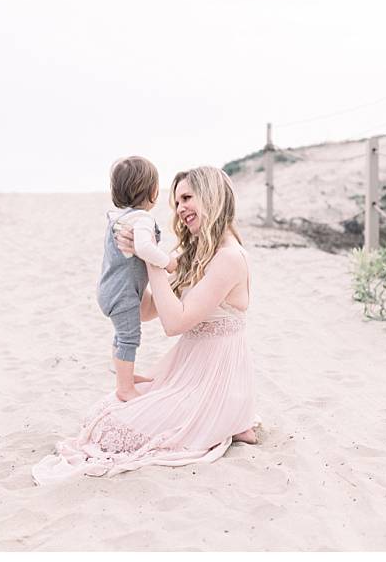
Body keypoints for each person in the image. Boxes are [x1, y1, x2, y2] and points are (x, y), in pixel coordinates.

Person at [32, 166, 258, 485]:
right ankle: (231, 422)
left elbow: (174, 323)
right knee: (104, 414)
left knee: (114, 430)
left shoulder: (230, 258)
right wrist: (125, 266)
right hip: (186, 371)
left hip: (213, 379)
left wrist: (155, 263)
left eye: (186, 198)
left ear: (211, 196)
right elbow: (150, 310)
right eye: (175, 202)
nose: (180, 209)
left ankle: (230, 419)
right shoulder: (197, 254)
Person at [97, 156, 177, 402]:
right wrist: (169, 262)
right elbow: (144, 248)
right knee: (129, 337)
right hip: (122, 294)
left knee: (121, 335)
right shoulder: (142, 219)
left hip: (111, 290)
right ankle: (124, 388)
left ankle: (125, 377)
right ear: (153, 191)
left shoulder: (121, 218)